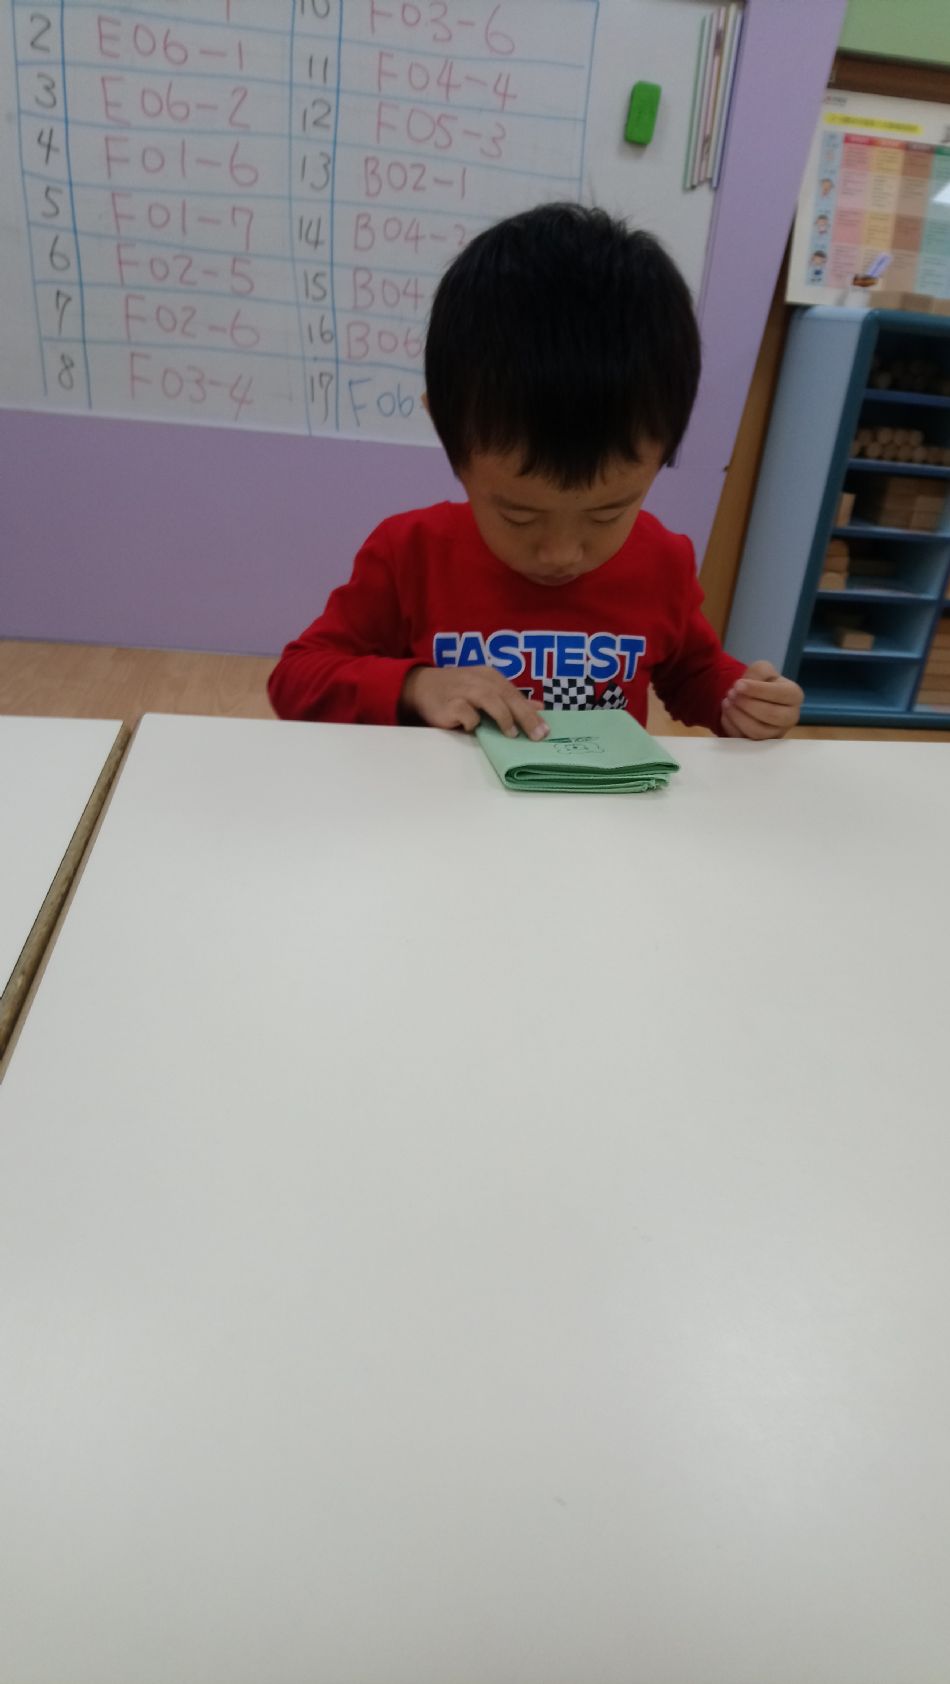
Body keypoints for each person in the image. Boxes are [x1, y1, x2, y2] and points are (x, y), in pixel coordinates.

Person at [269, 204, 802, 742]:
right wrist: (415, 685)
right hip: (445, 795)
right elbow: (297, 679)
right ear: (448, 434)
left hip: (596, 793)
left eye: (607, 513)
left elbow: (694, 673)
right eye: (519, 515)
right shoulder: (410, 555)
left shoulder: (662, 564)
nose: (561, 553)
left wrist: (738, 699)